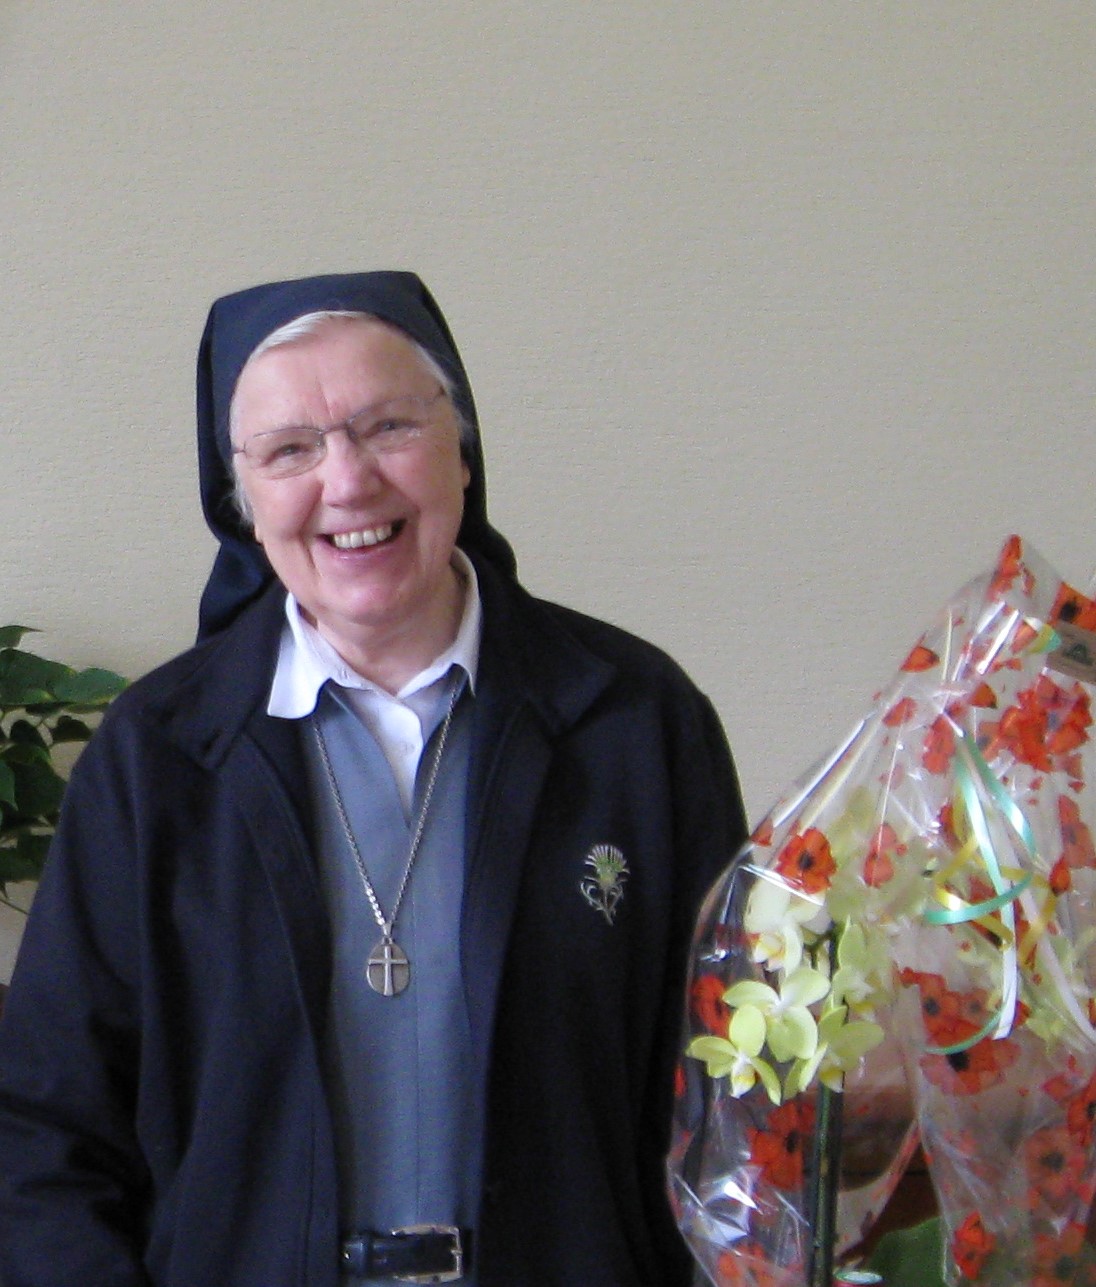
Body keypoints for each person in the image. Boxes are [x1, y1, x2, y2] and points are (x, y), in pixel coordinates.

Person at [0, 272, 748, 1286]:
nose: (346, 483)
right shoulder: (157, 756)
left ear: (462, 450)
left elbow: (732, 1097)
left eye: (387, 425)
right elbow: (47, 1123)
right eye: (289, 451)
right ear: (241, 496)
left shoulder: (634, 721)